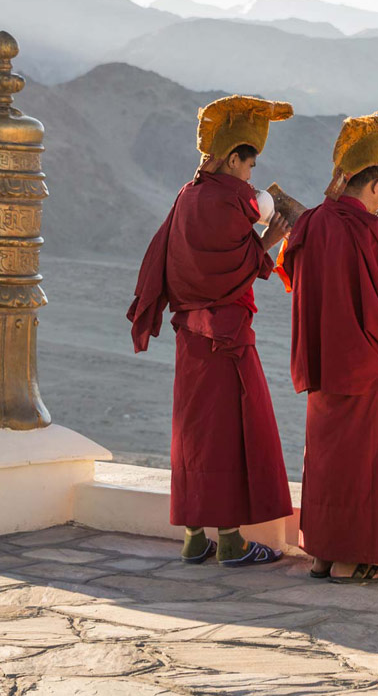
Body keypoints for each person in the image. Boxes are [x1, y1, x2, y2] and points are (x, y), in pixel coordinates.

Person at [127, 95, 294, 567]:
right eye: (249, 163)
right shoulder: (230, 197)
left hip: (190, 336)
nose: (251, 174)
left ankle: (194, 537)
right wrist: (270, 242)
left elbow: (182, 261)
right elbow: (238, 269)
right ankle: (233, 542)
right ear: (234, 157)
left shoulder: (187, 194)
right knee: (227, 431)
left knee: (193, 431)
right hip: (226, 337)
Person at [278, 112, 378, 583]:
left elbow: (291, 273)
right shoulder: (370, 232)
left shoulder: (312, 224)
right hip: (367, 369)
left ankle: (322, 555)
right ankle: (360, 558)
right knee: (367, 465)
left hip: (322, 366)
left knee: (325, 461)